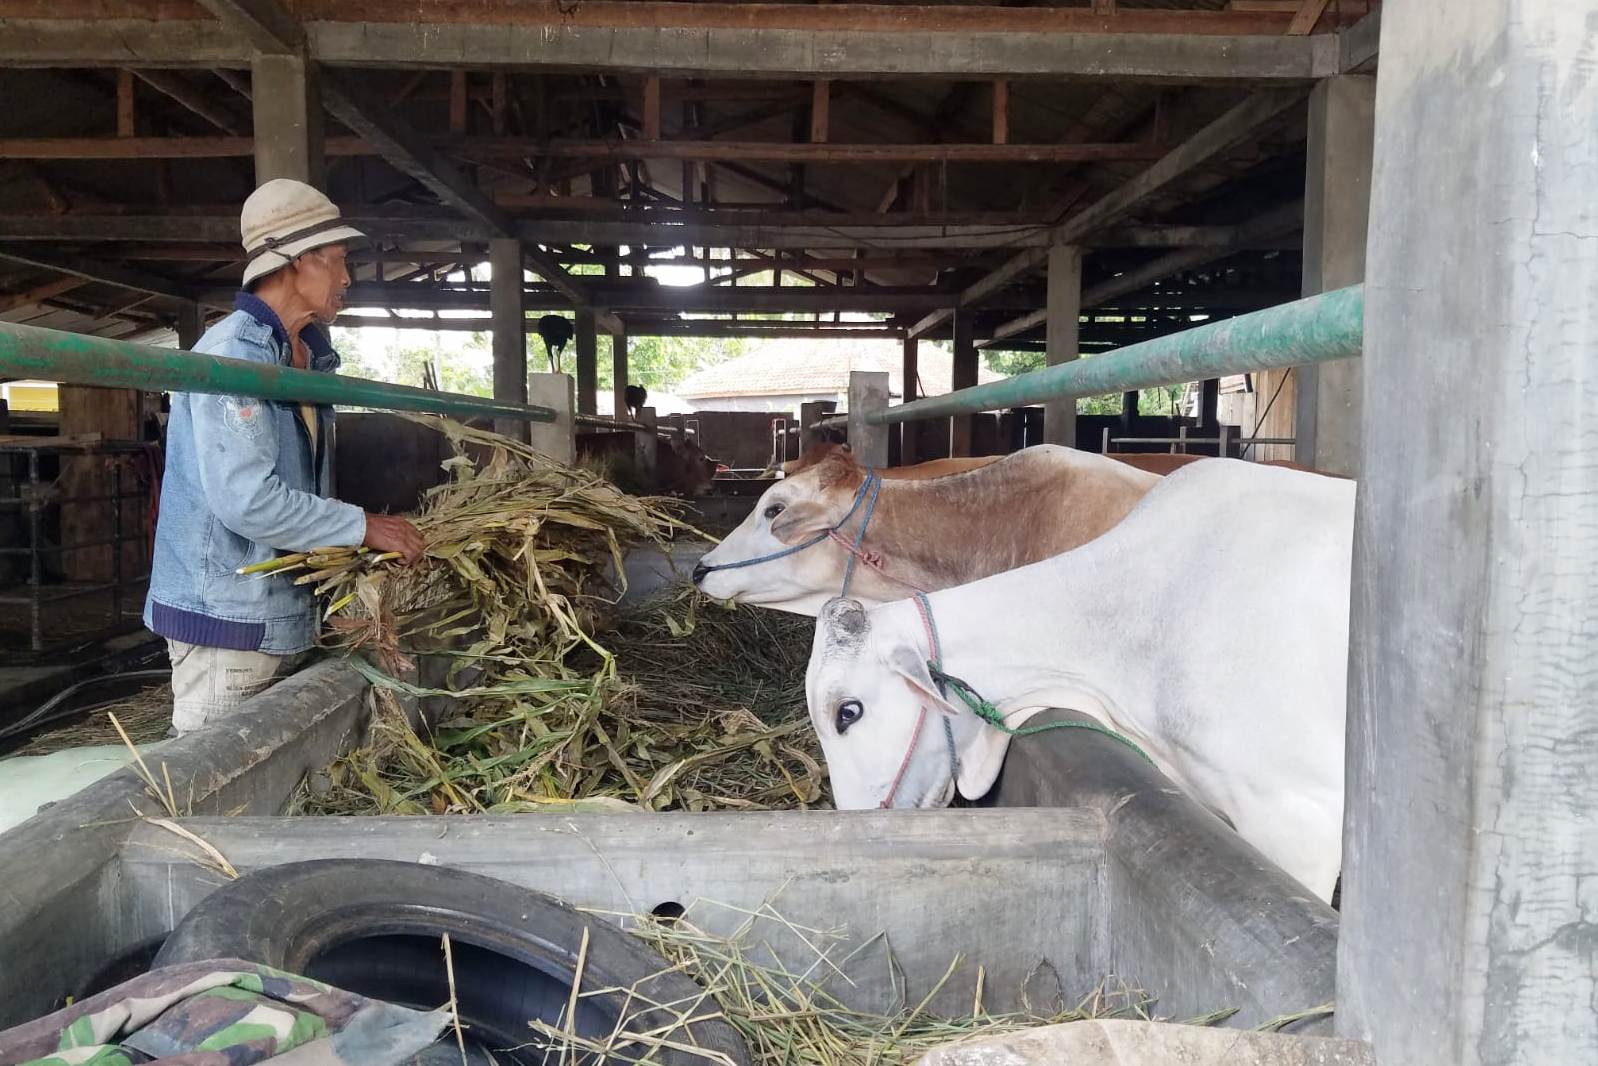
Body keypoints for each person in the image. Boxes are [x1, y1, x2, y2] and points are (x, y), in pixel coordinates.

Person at [144, 179, 425, 735]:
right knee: (215, 793)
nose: (348, 278)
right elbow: (249, 503)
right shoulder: (233, 357)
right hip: (230, 622)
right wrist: (361, 527)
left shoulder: (305, 358)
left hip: (282, 613)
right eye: (339, 261)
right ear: (296, 261)